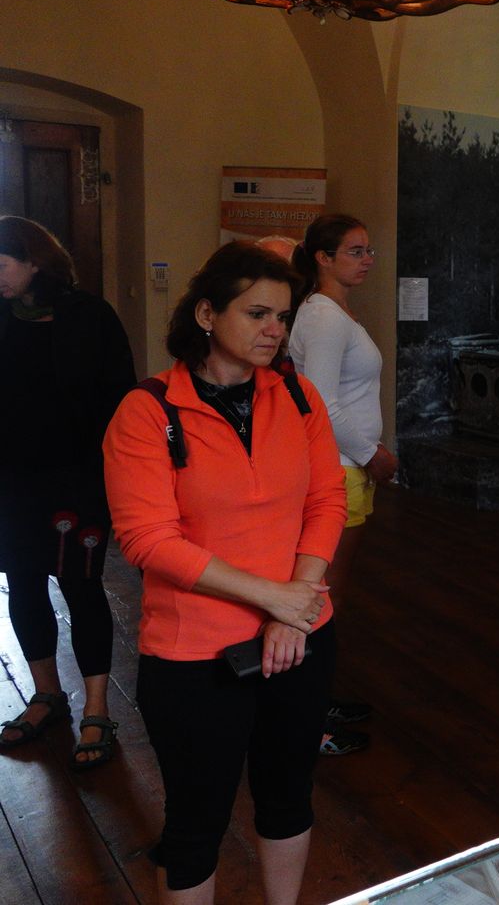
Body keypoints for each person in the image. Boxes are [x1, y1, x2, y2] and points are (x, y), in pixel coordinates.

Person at [103, 242, 346, 904]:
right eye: (257, 314)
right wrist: (276, 600)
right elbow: (148, 540)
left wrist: (296, 606)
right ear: (208, 314)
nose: (275, 330)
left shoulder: (296, 395)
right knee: (195, 822)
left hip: (302, 634)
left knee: (288, 795)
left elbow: (326, 500)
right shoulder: (148, 410)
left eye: (283, 317)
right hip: (195, 653)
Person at [0, 217, 134, 768]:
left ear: (34, 261)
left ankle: (97, 708)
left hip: (77, 477)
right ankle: (47, 694)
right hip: (11, 479)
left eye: (1, 264)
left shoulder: (90, 316)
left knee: (82, 587)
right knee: (23, 583)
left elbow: (121, 401)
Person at [287, 213, 396, 755]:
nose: (367, 260)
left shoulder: (331, 312)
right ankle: (305, 720)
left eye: (368, 250)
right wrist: (372, 454)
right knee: (320, 599)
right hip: (340, 470)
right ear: (323, 258)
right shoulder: (325, 317)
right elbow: (320, 404)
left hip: (347, 469)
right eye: (355, 251)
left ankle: (315, 701)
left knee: (327, 597)